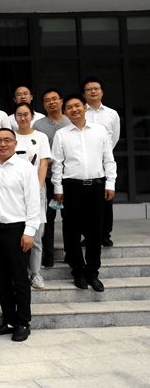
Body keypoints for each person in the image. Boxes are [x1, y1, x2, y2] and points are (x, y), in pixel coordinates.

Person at [52, 94, 116, 293]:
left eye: (77, 105)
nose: (74, 109)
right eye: (69, 107)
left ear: (85, 107)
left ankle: (93, 273)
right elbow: (57, 164)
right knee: (71, 232)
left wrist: (110, 183)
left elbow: (108, 159)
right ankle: (77, 271)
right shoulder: (61, 134)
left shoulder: (100, 131)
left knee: (95, 233)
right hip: (71, 188)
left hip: (96, 187)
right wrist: (58, 188)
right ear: (65, 112)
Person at [0, 128, 40, 342]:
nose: (3, 144)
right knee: (1, 279)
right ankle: (8, 320)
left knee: (20, 279)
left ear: (15, 143)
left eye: (7, 140)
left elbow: (33, 200)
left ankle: (23, 322)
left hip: (18, 230)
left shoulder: (25, 167)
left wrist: (29, 231)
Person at [14, 103, 51, 290]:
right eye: (19, 115)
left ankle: (35, 273)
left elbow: (43, 164)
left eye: (26, 114)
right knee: (17, 235)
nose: (23, 118)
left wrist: (37, 188)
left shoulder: (41, 137)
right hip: (14, 193)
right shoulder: (10, 136)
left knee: (36, 236)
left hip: (36, 191)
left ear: (32, 116)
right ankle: (19, 273)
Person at [33, 89, 71, 267]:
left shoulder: (70, 121)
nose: (51, 102)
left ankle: (71, 253)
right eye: (47, 100)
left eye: (55, 99)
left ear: (61, 101)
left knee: (70, 218)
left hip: (68, 177)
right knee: (47, 218)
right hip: (47, 177)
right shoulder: (38, 125)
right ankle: (47, 256)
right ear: (43, 105)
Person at [83, 77, 121, 247]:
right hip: (84, 163)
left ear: (102, 92)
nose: (93, 91)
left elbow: (115, 138)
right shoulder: (80, 112)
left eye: (96, 88)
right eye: (89, 89)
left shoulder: (112, 114)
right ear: (84, 94)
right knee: (87, 202)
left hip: (105, 161)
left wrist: (104, 154)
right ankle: (88, 235)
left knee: (106, 199)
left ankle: (105, 234)